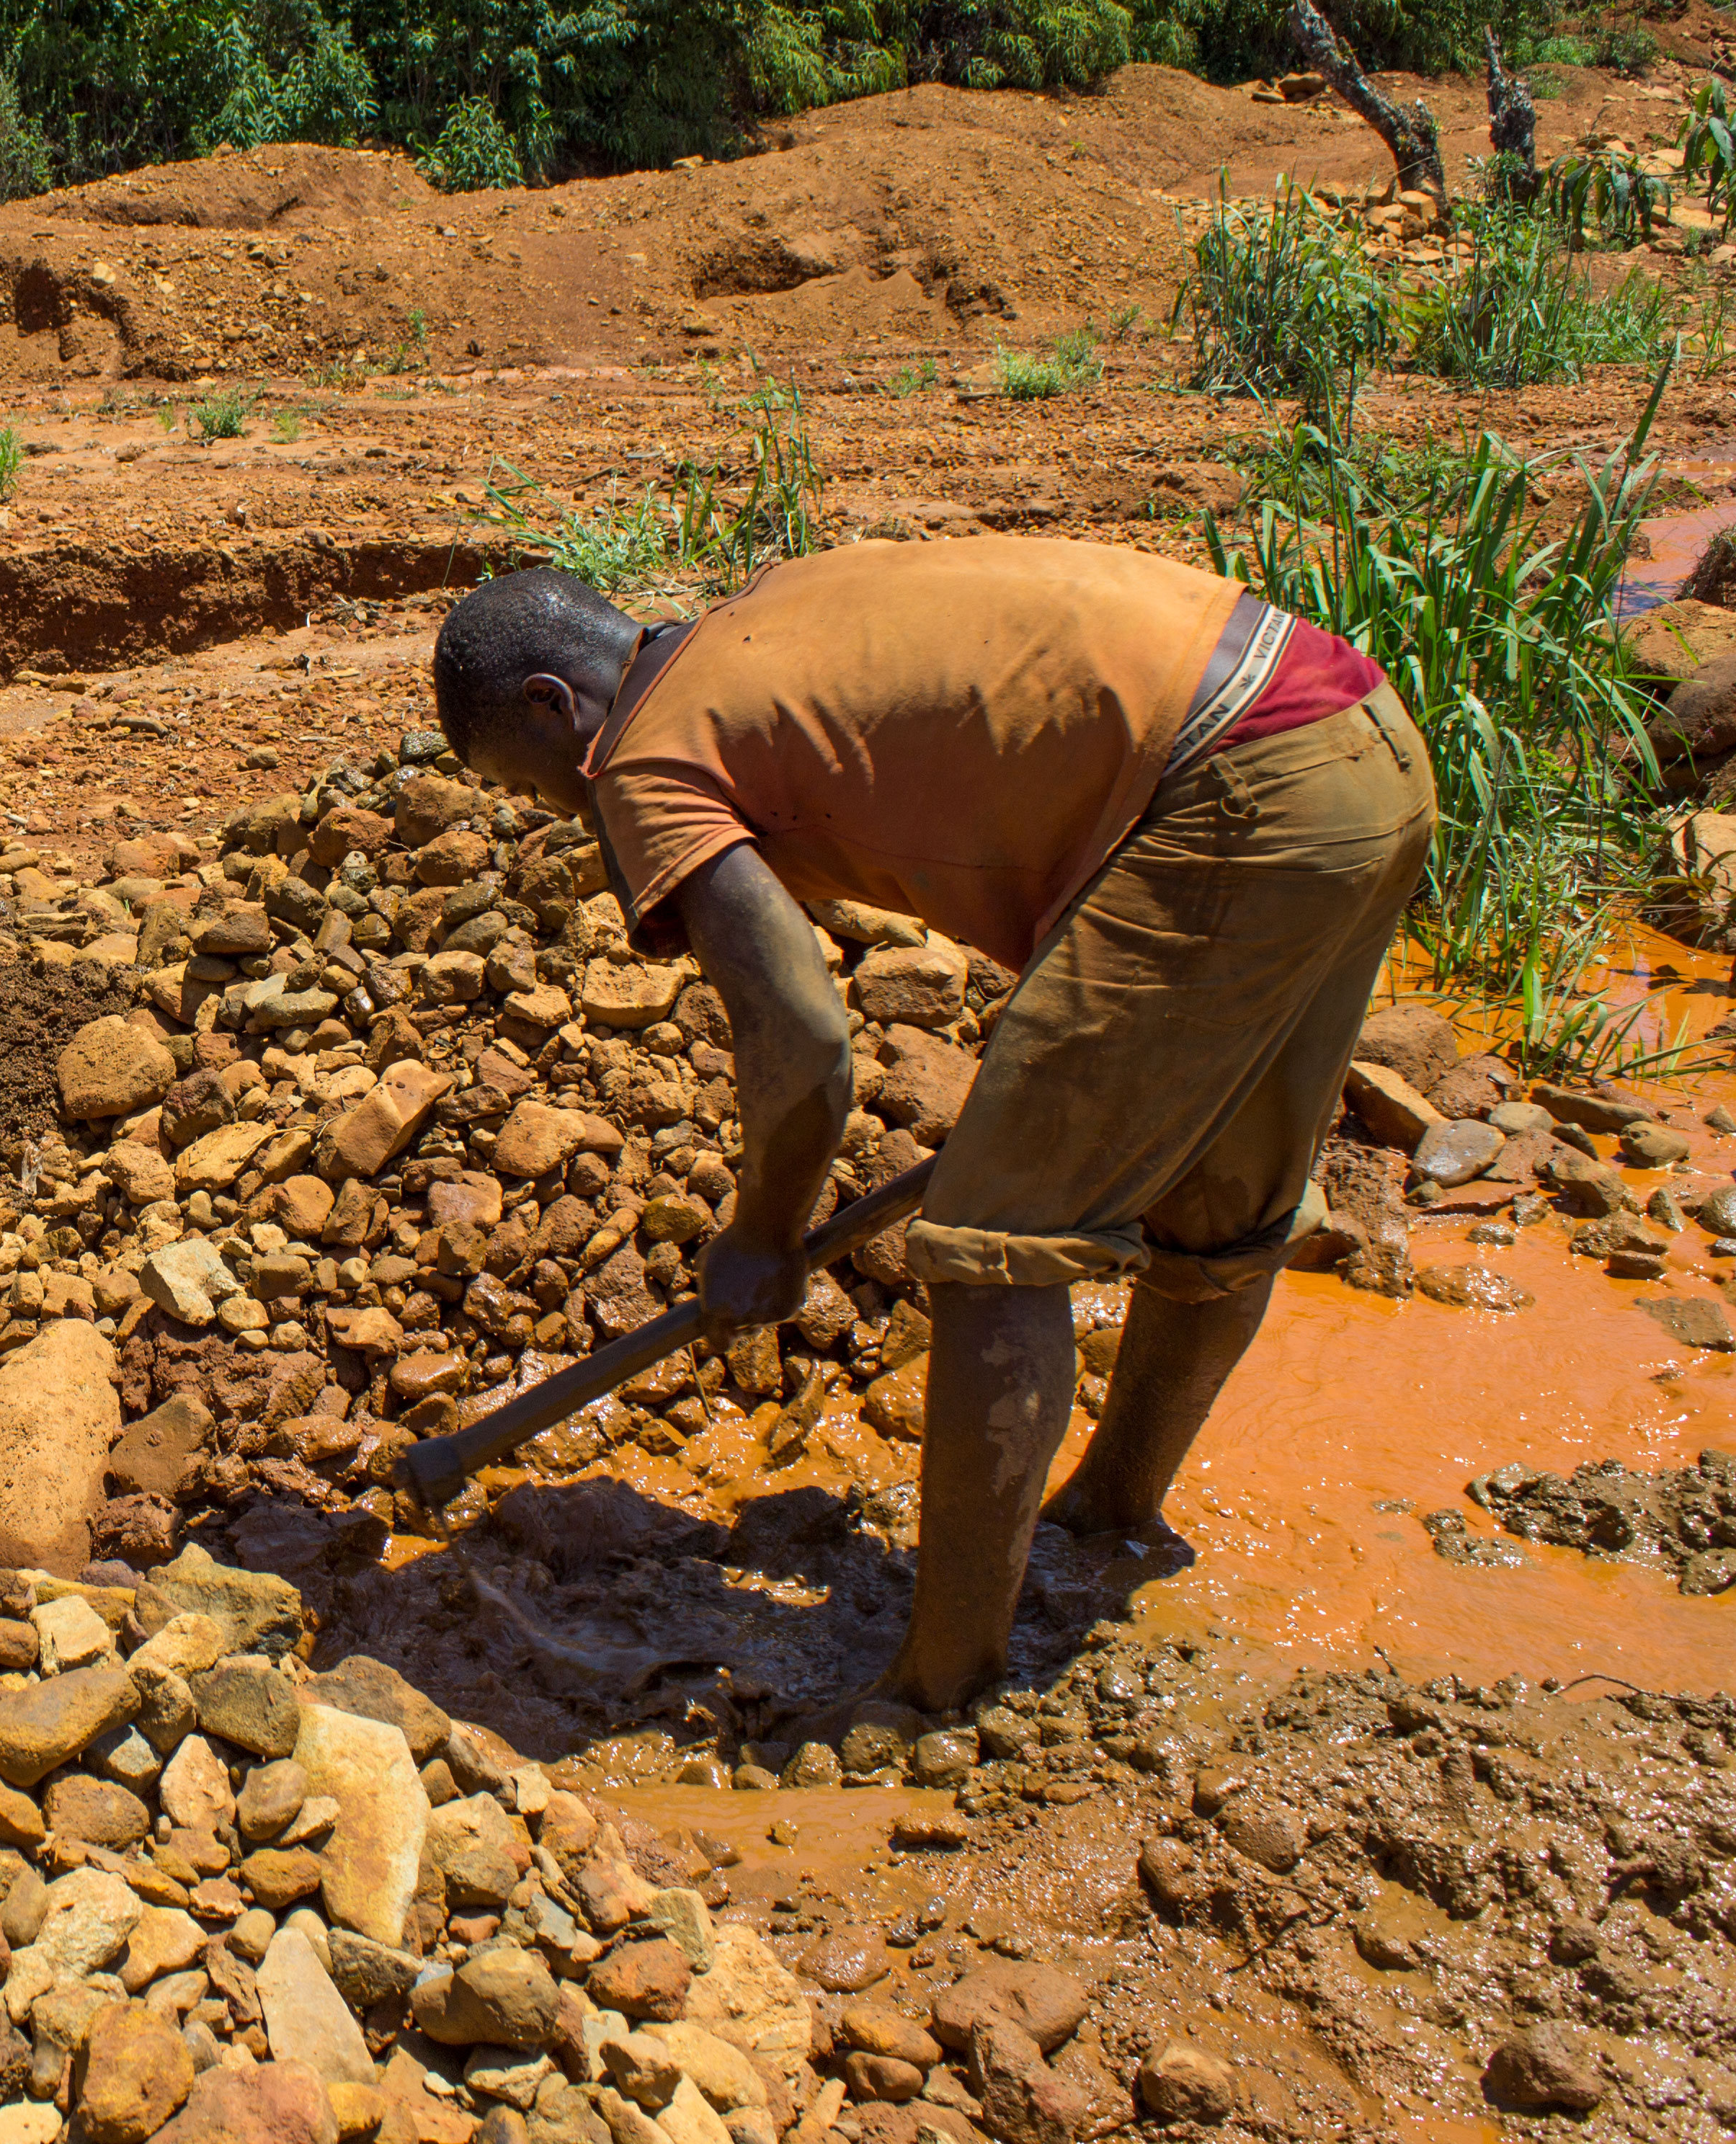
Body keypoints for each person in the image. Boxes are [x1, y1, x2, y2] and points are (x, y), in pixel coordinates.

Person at [429, 539, 1432, 1713]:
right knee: (1220, 1203)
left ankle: (938, 1684)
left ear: (555, 706)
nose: (553, 811)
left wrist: (763, 1233)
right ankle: (1111, 1521)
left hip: (1224, 785)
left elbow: (801, 1035)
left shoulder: (646, 758)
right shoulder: (766, 611)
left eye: (526, 784)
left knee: (992, 1246)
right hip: (1353, 746)